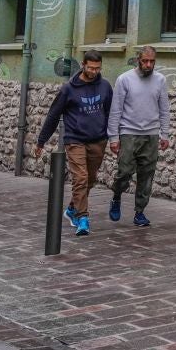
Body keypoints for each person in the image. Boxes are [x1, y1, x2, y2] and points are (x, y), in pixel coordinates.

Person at [34, 50, 113, 237]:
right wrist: (41, 141)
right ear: (83, 65)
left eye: (97, 68)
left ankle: (71, 208)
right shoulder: (68, 89)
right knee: (81, 178)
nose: (94, 71)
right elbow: (53, 115)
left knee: (90, 180)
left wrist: (114, 137)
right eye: (91, 68)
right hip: (75, 140)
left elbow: (111, 113)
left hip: (98, 140)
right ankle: (82, 218)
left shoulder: (105, 86)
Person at [107, 45, 170, 227]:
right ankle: (117, 196)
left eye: (152, 61)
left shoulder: (160, 80)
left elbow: (164, 109)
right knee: (124, 172)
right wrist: (113, 138)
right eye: (145, 61)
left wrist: (164, 134)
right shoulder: (125, 79)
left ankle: (140, 212)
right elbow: (116, 109)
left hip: (151, 134)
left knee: (147, 175)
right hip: (128, 133)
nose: (149, 65)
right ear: (138, 60)